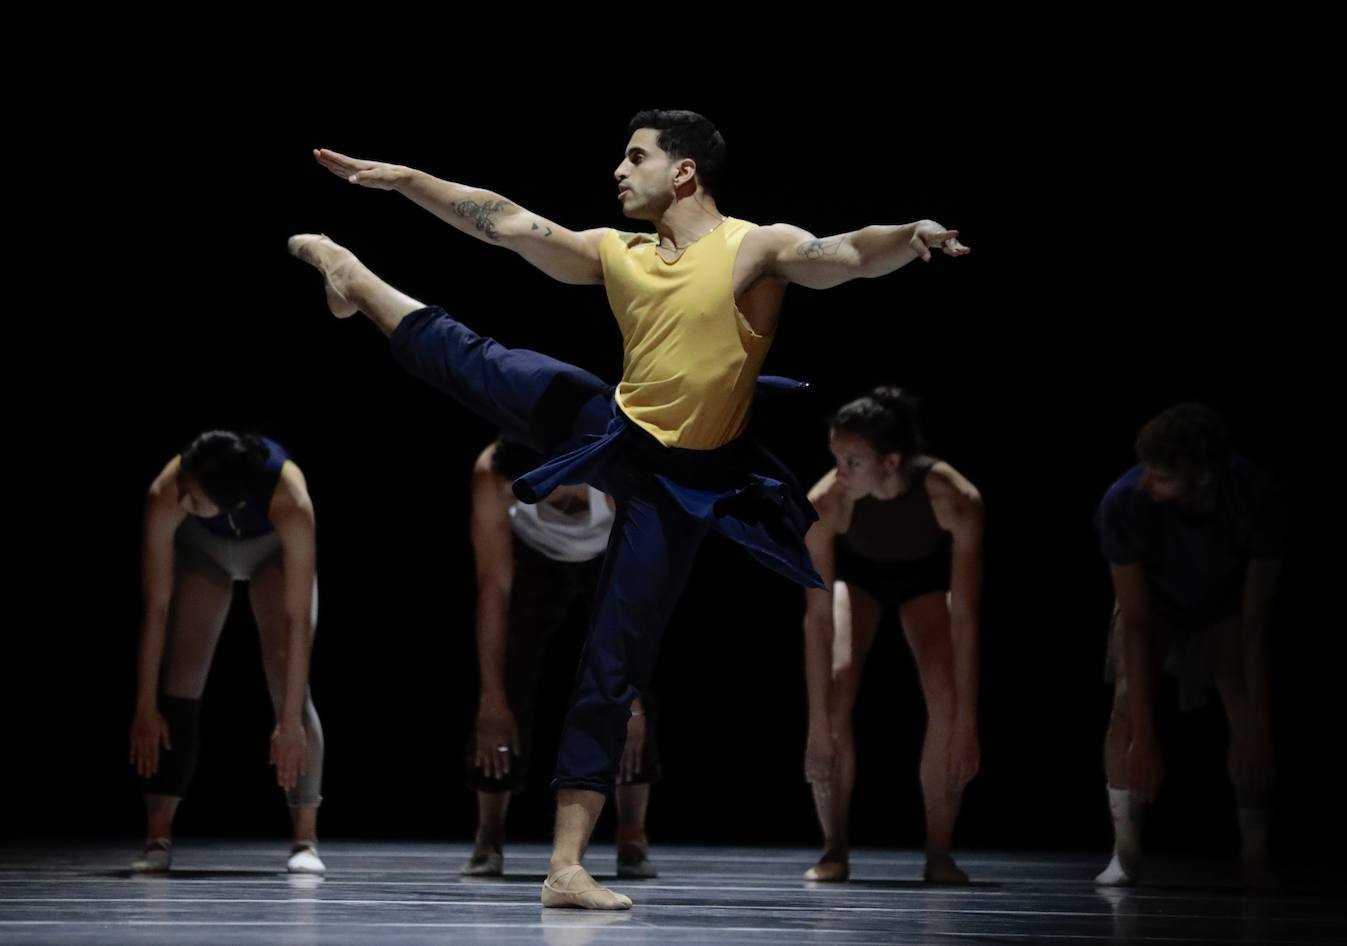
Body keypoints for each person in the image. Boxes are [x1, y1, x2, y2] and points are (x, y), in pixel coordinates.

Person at [298, 107, 969, 908]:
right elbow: (507, 222)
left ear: (682, 171)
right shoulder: (618, 253)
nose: (619, 170)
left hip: (683, 482)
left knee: (615, 658)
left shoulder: (752, 247)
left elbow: (847, 253)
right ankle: (354, 277)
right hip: (614, 428)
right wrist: (406, 180)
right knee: (483, 366)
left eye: (635, 156)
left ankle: (565, 867)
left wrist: (911, 234)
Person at [1094, 402, 1281, 888]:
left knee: (1243, 708)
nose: (1145, 482)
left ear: (1200, 480)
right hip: (1154, 599)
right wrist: (1147, 736)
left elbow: (1255, 618)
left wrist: (1257, 727)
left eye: (1159, 475)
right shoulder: (1123, 503)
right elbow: (1135, 620)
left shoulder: (1253, 495)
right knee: (1126, 711)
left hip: (1225, 599)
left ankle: (1255, 850)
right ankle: (1126, 847)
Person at [801, 388, 983, 884]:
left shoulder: (954, 498)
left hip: (924, 580)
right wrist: (818, 725)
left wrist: (968, 718)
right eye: (836, 459)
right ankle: (833, 848)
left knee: (944, 695)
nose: (840, 472)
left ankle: (939, 852)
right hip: (855, 577)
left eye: (853, 461)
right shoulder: (826, 503)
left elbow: (965, 616)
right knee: (837, 689)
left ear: (891, 461)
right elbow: (816, 619)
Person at [129, 430, 325, 874]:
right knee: (178, 682)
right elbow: (156, 607)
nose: (181, 502)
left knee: (289, 686)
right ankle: (157, 834)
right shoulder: (167, 489)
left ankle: (305, 837)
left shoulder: (291, 500)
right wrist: (144, 705)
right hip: (205, 554)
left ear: (232, 502)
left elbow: (297, 620)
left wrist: (289, 719)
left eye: (193, 501)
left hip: (271, 553)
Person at [463, 437, 659, 880]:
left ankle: (632, 831)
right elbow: (493, 589)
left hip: (606, 558)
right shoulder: (494, 473)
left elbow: (632, 596)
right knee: (506, 680)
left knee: (630, 691)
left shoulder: (613, 471)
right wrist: (491, 698)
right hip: (532, 557)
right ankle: (489, 833)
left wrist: (632, 702)